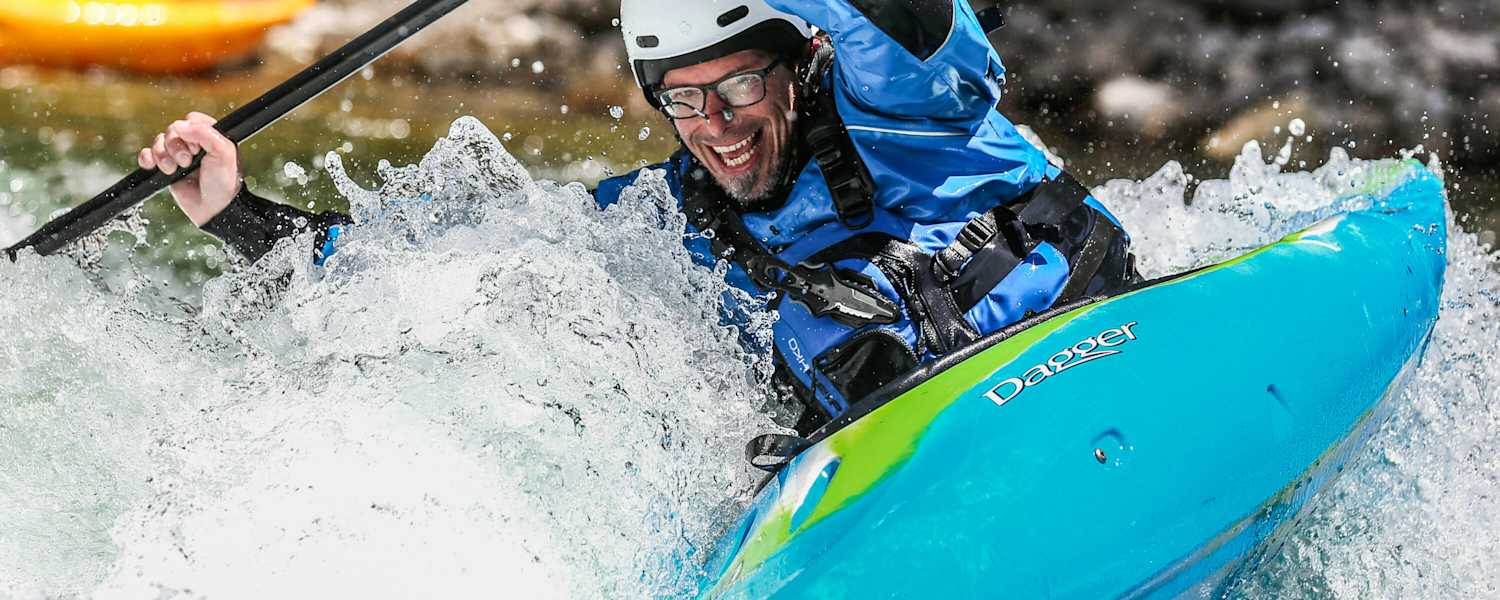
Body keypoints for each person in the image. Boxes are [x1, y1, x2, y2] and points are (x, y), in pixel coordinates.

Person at [138, 0, 1139, 436]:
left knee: (844, 313)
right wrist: (233, 212)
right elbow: (423, 260)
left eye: (740, 84)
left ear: (802, 61)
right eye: (684, 100)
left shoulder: (906, 102)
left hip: (1102, 350)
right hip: (916, 461)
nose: (718, 126)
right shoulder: (672, 216)